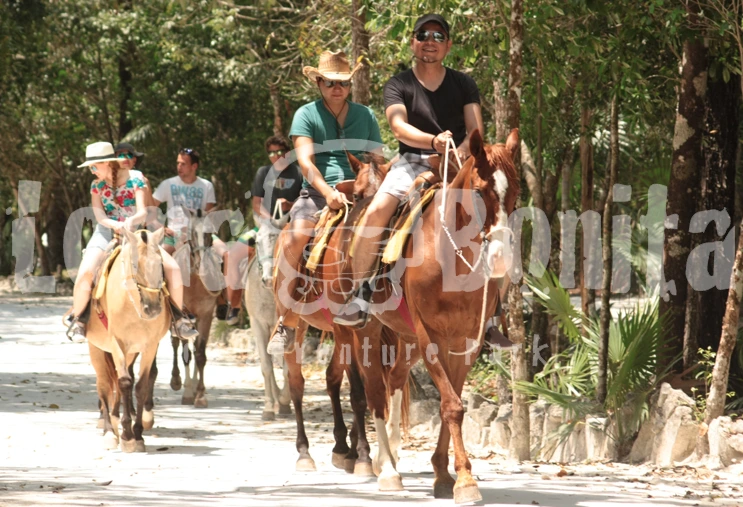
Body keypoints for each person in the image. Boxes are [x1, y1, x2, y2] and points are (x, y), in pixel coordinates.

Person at [334, 13, 485, 328]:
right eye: (423, 35)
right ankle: (362, 293)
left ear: (448, 45)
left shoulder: (464, 83)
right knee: (376, 211)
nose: (430, 42)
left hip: (457, 163)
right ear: (413, 41)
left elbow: (475, 131)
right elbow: (398, 127)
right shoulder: (399, 84)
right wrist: (433, 141)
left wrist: (459, 152)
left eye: (438, 36)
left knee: (497, 209)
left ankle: (495, 309)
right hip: (412, 161)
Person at [266, 49, 383, 355]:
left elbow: (378, 160)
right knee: (295, 239)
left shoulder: (366, 116)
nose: (337, 88)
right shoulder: (306, 115)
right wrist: (328, 192)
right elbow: (305, 162)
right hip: (319, 194)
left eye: (342, 82)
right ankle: (287, 320)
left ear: (350, 85)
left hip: (363, 194)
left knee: (401, 236)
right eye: (330, 82)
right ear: (318, 82)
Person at [66, 142, 198, 342]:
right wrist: (115, 225)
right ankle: (80, 320)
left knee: (172, 268)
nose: (92, 172)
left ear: (107, 163)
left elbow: (143, 211)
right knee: (85, 273)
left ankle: (178, 320)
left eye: (94, 167)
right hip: (105, 232)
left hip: (137, 232)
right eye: (90, 168)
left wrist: (130, 223)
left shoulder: (136, 178)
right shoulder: (96, 186)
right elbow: (100, 216)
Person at [223, 136, 302, 321]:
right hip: (265, 228)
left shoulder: (298, 173)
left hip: (292, 227)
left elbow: (306, 198)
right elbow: (256, 204)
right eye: (272, 153)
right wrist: (270, 220)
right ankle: (233, 306)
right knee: (231, 256)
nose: (276, 156)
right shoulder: (263, 173)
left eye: (280, 152)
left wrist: (290, 205)